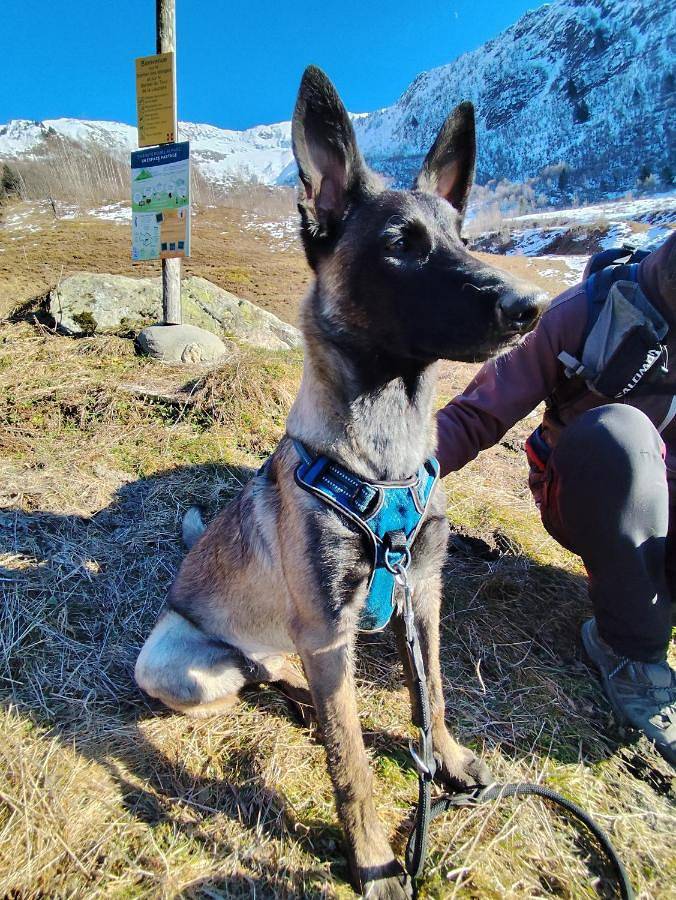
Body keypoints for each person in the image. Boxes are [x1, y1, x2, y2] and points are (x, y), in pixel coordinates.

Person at [436, 232, 676, 766]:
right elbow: (477, 413)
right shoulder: (583, 313)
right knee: (619, 434)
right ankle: (630, 653)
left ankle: (646, 596)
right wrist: (388, 478)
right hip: (588, 490)